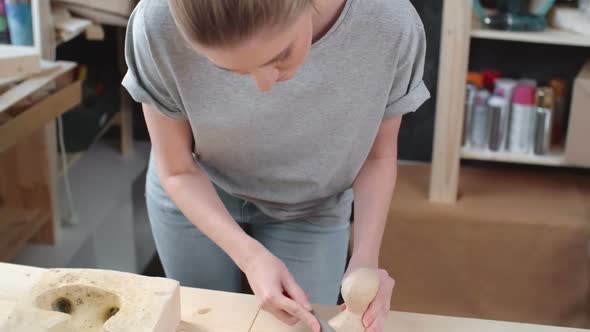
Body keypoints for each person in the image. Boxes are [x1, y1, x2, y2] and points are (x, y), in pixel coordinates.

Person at [122, 0, 429, 331]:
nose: (265, 86)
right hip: (197, 186)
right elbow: (177, 168)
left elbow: (378, 156)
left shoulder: (390, 23)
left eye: (279, 55)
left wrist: (366, 260)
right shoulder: (156, 23)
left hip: (311, 204)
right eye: (231, 71)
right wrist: (250, 258)